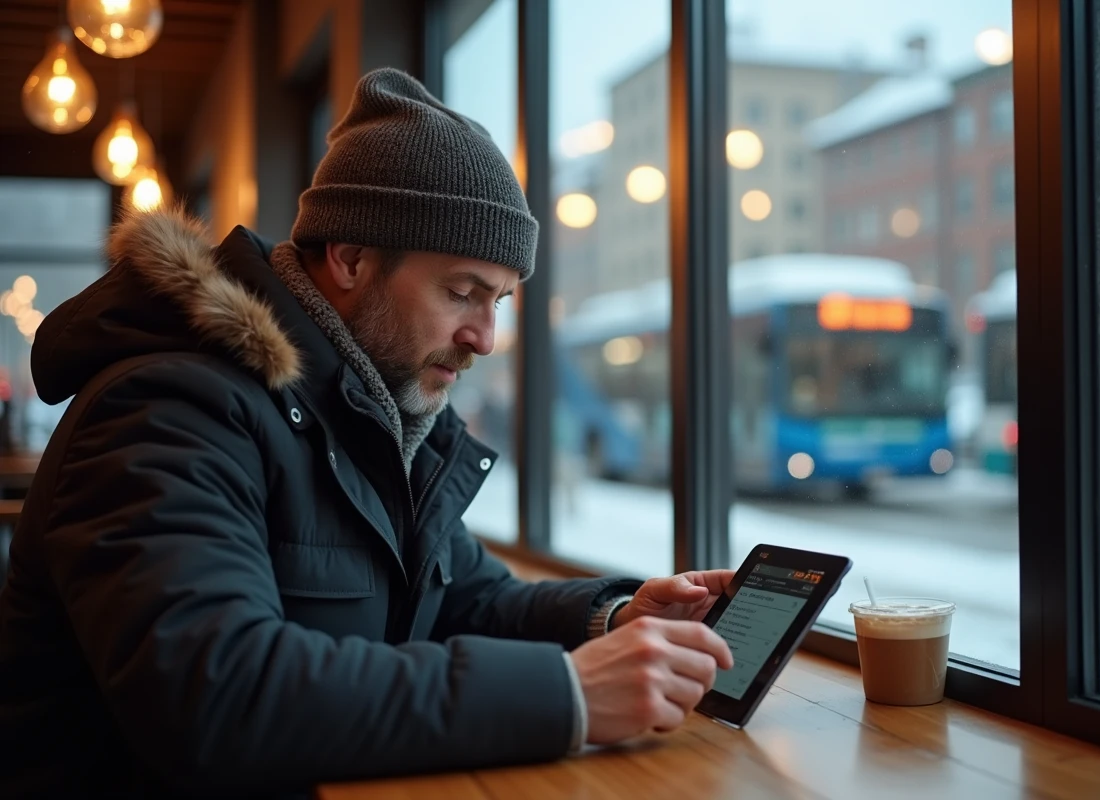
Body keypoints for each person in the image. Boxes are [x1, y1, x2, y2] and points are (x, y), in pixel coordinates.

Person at [0, 68, 734, 798]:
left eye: (501, 301)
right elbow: (217, 694)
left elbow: (465, 600)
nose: (484, 336)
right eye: (462, 292)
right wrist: (566, 695)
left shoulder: (378, 414)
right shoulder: (170, 406)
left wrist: (613, 619)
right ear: (350, 258)